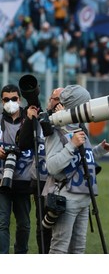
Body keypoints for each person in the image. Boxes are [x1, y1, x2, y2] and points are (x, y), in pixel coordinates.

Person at [42, 84, 109, 254]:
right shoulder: (55, 130)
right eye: (85, 104)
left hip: (84, 196)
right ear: (77, 105)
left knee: (79, 249)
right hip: (67, 197)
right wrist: (72, 144)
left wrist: (99, 150)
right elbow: (52, 167)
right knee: (60, 248)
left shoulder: (79, 127)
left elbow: (81, 159)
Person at [17, 87, 64, 254]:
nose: (54, 102)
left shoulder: (71, 120)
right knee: (42, 226)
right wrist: (30, 120)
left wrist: (64, 118)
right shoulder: (38, 119)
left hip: (62, 181)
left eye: (59, 99)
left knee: (62, 227)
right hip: (41, 180)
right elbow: (23, 144)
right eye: (52, 98)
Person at [0, 84, 33, 254]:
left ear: (20, 99)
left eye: (14, 99)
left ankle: (20, 256)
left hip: (23, 180)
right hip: (1, 181)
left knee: (24, 225)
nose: (10, 102)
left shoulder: (29, 120)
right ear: (1, 101)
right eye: (6, 99)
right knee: (2, 223)